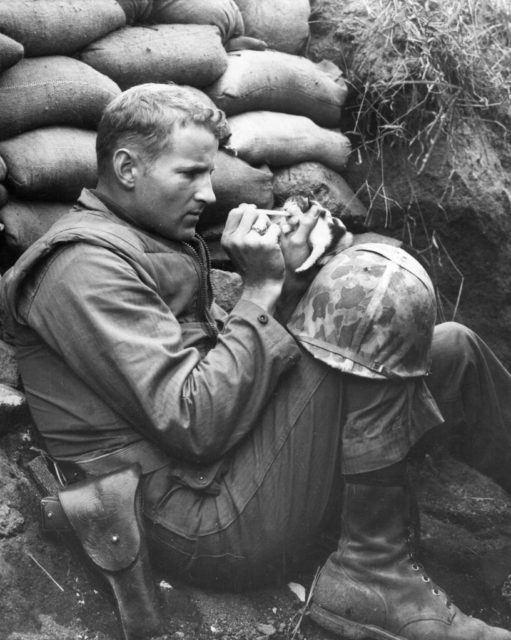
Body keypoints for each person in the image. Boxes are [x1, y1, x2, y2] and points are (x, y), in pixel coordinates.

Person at [1, 83, 511, 640]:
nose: (207, 192)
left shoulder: (145, 242)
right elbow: (194, 424)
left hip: (229, 472)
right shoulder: (81, 269)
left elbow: (231, 377)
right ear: (126, 166)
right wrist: (263, 290)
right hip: (197, 520)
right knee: (371, 291)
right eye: (189, 174)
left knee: (452, 350)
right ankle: (373, 575)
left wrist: (289, 286)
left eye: (209, 173)